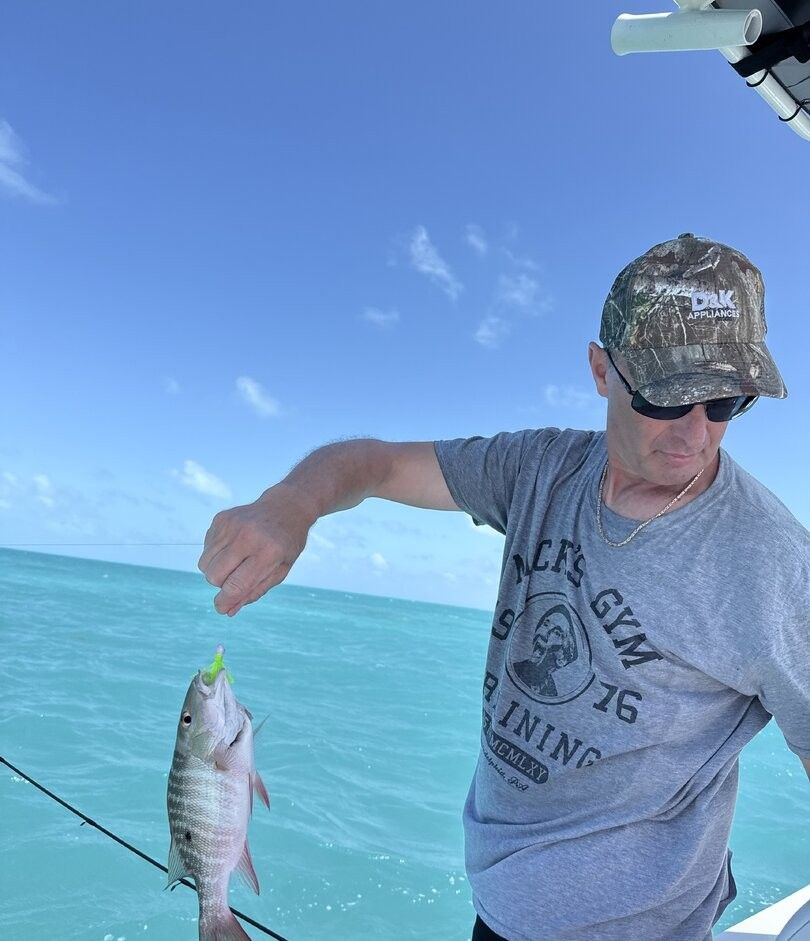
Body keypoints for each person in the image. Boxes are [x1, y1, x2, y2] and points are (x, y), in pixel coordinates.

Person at [198, 233, 810, 941]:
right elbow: (372, 463)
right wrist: (292, 503)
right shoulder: (539, 469)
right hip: (501, 907)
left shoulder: (768, 559)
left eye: (726, 401)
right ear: (601, 369)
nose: (694, 435)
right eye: (667, 399)